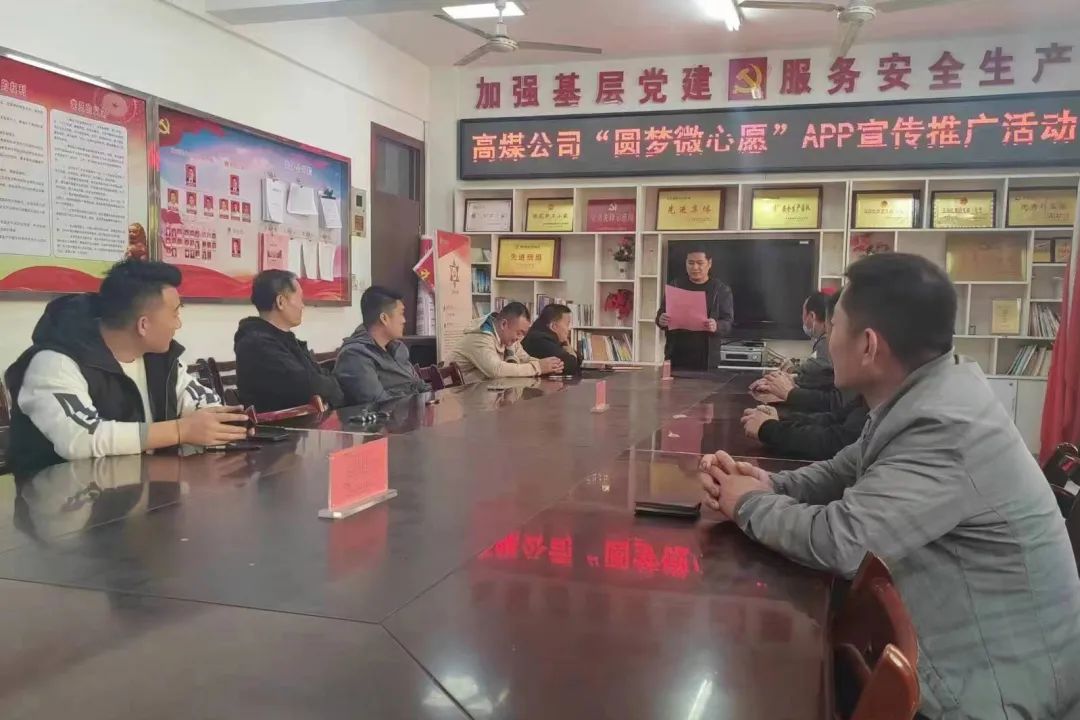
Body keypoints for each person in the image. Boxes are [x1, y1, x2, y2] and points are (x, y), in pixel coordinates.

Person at [699, 253, 1080, 720]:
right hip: (961, 656)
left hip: (996, 693)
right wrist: (770, 482)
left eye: (835, 326)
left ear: (868, 345)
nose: (827, 340)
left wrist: (748, 504)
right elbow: (843, 469)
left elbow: (840, 542)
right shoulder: (925, 395)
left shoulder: (944, 427)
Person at [4, 260, 250, 478]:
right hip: (62, 504)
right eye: (175, 313)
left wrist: (219, 424)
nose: (178, 324)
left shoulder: (160, 359)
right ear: (143, 325)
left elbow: (201, 402)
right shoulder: (54, 363)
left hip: (143, 495)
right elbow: (81, 439)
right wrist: (180, 430)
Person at [234, 270, 344, 411]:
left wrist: (330, 387)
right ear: (281, 302)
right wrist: (332, 387)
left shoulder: (283, 338)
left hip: (305, 420)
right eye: (300, 299)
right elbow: (307, 386)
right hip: (280, 424)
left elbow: (318, 376)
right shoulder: (256, 344)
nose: (302, 306)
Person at [334, 286, 430, 405]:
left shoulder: (398, 348)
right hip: (390, 416)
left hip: (413, 412)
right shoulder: (354, 355)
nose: (404, 320)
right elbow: (378, 403)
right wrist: (413, 396)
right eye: (401, 314)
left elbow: (420, 385)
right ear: (384, 318)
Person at [655, 247, 733, 371]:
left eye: (700, 263)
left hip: (706, 357)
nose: (695, 267)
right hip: (676, 354)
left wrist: (716, 325)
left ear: (709, 263)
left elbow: (728, 322)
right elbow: (661, 314)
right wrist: (661, 319)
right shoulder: (675, 285)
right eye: (690, 263)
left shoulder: (720, 289)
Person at [448, 302, 563, 384]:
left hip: (478, 392)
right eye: (519, 333)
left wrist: (550, 365)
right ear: (504, 324)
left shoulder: (507, 339)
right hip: (455, 397)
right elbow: (496, 370)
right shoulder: (481, 338)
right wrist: (538, 367)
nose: (520, 338)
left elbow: (525, 359)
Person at [740, 397, 868, 461]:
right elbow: (833, 418)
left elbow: (839, 443)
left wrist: (770, 429)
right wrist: (778, 418)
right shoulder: (866, 398)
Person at [521, 303, 581, 375]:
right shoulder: (539, 340)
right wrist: (571, 352)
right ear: (553, 326)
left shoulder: (545, 335)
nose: (569, 329)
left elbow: (579, 358)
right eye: (567, 324)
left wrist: (571, 353)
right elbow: (570, 365)